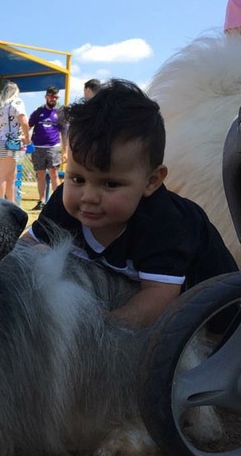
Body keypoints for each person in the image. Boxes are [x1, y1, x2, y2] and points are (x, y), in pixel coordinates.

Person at [24, 79, 238, 328]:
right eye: (77, 178)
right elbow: (28, 246)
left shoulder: (164, 222)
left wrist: (110, 326)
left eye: (110, 184)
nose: (88, 196)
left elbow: (159, 295)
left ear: (151, 181)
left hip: (219, 316)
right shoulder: (65, 203)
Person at [28, 86, 67, 211]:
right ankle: (41, 201)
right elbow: (27, 126)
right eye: (51, 96)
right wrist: (24, 141)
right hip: (37, 147)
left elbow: (65, 133)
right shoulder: (38, 112)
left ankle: (58, 202)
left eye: (55, 97)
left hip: (53, 148)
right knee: (40, 175)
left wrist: (65, 151)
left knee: (54, 173)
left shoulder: (59, 114)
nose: (53, 99)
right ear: (46, 97)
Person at [0, 81, 30, 202]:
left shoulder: (2, 106)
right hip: (10, 142)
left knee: (11, 176)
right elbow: (24, 121)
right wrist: (27, 138)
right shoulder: (17, 102)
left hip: (0, 141)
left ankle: (11, 204)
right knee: (4, 176)